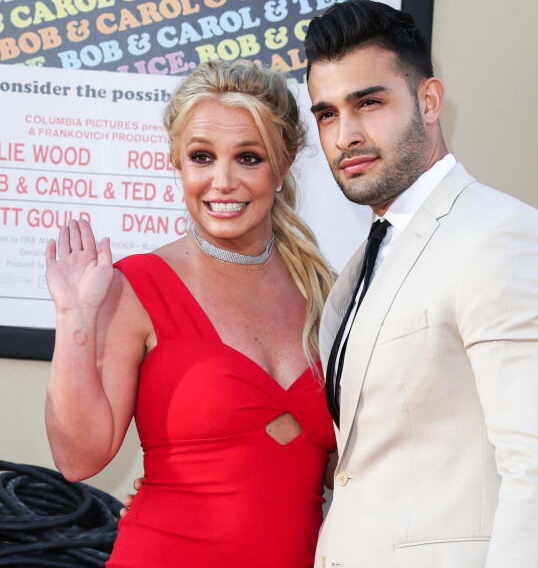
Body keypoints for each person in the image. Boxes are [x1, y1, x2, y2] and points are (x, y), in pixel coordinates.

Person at [304, 0, 538, 568]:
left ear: (429, 101)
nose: (345, 134)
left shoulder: (504, 238)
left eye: (369, 103)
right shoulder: (365, 260)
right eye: (327, 114)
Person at [44, 59, 337, 568]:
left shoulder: (324, 292)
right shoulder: (135, 287)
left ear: (283, 164)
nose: (222, 181)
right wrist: (75, 317)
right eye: (202, 157)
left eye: (249, 157)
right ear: (178, 163)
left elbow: (345, 468)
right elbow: (78, 459)